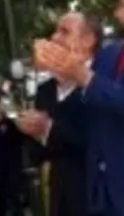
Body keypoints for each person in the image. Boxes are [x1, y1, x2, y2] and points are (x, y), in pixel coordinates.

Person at [34, 0, 124, 216]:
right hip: (101, 197)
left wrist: (84, 77)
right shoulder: (109, 54)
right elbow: (89, 114)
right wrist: (61, 70)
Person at [18, 12, 98, 216]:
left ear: (88, 40)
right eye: (55, 32)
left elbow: (96, 140)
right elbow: (37, 152)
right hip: (58, 198)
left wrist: (48, 129)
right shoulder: (45, 90)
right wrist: (31, 130)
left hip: (96, 196)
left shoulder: (102, 81)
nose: (54, 38)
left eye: (64, 32)